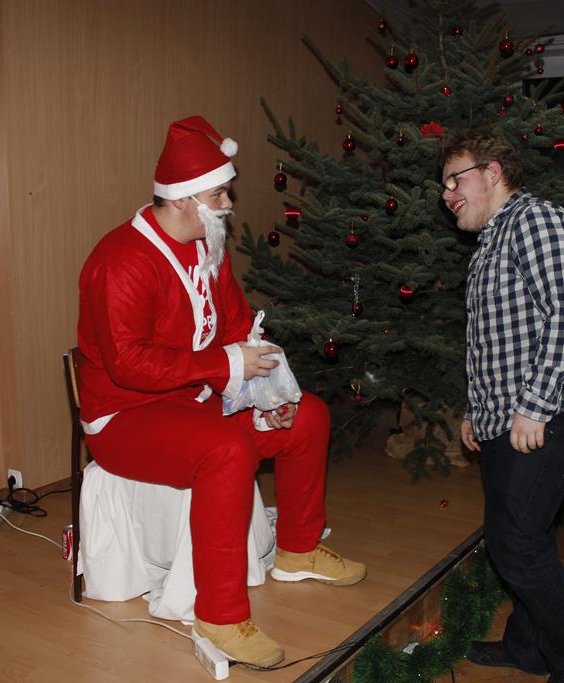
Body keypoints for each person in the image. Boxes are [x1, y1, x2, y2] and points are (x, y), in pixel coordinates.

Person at [76, 115, 365, 667]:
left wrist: (268, 396)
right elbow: (129, 365)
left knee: (307, 415)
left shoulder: (207, 243)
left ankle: (298, 549)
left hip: (194, 400)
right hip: (126, 416)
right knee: (227, 450)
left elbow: (234, 327)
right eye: (218, 195)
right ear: (184, 199)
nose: (229, 204)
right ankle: (220, 615)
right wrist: (225, 365)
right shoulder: (120, 262)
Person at [441, 130, 564, 683]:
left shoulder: (536, 221)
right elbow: (490, 341)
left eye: (455, 179)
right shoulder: (492, 241)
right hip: (507, 418)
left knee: (515, 540)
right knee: (524, 534)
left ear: (492, 172)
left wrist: (534, 406)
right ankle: (529, 647)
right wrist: (476, 410)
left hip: (552, 414)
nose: (447, 194)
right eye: (444, 185)